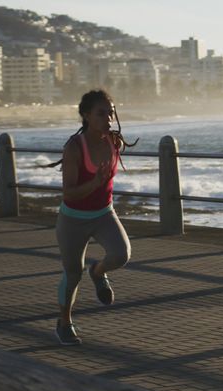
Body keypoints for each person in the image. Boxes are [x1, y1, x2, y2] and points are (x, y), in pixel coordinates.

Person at [49, 89, 137, 345]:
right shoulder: (74, 148)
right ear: (86, 116)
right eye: (101, 113)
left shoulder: (114, 141)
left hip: (103, 214)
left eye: (111, 113)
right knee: (72, 274)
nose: (108, 118)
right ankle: (64, 322)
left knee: (121, 254)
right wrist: (96, 182)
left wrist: (101, 184)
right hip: (73, 219)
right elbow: (70, 193)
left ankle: (98, 273)